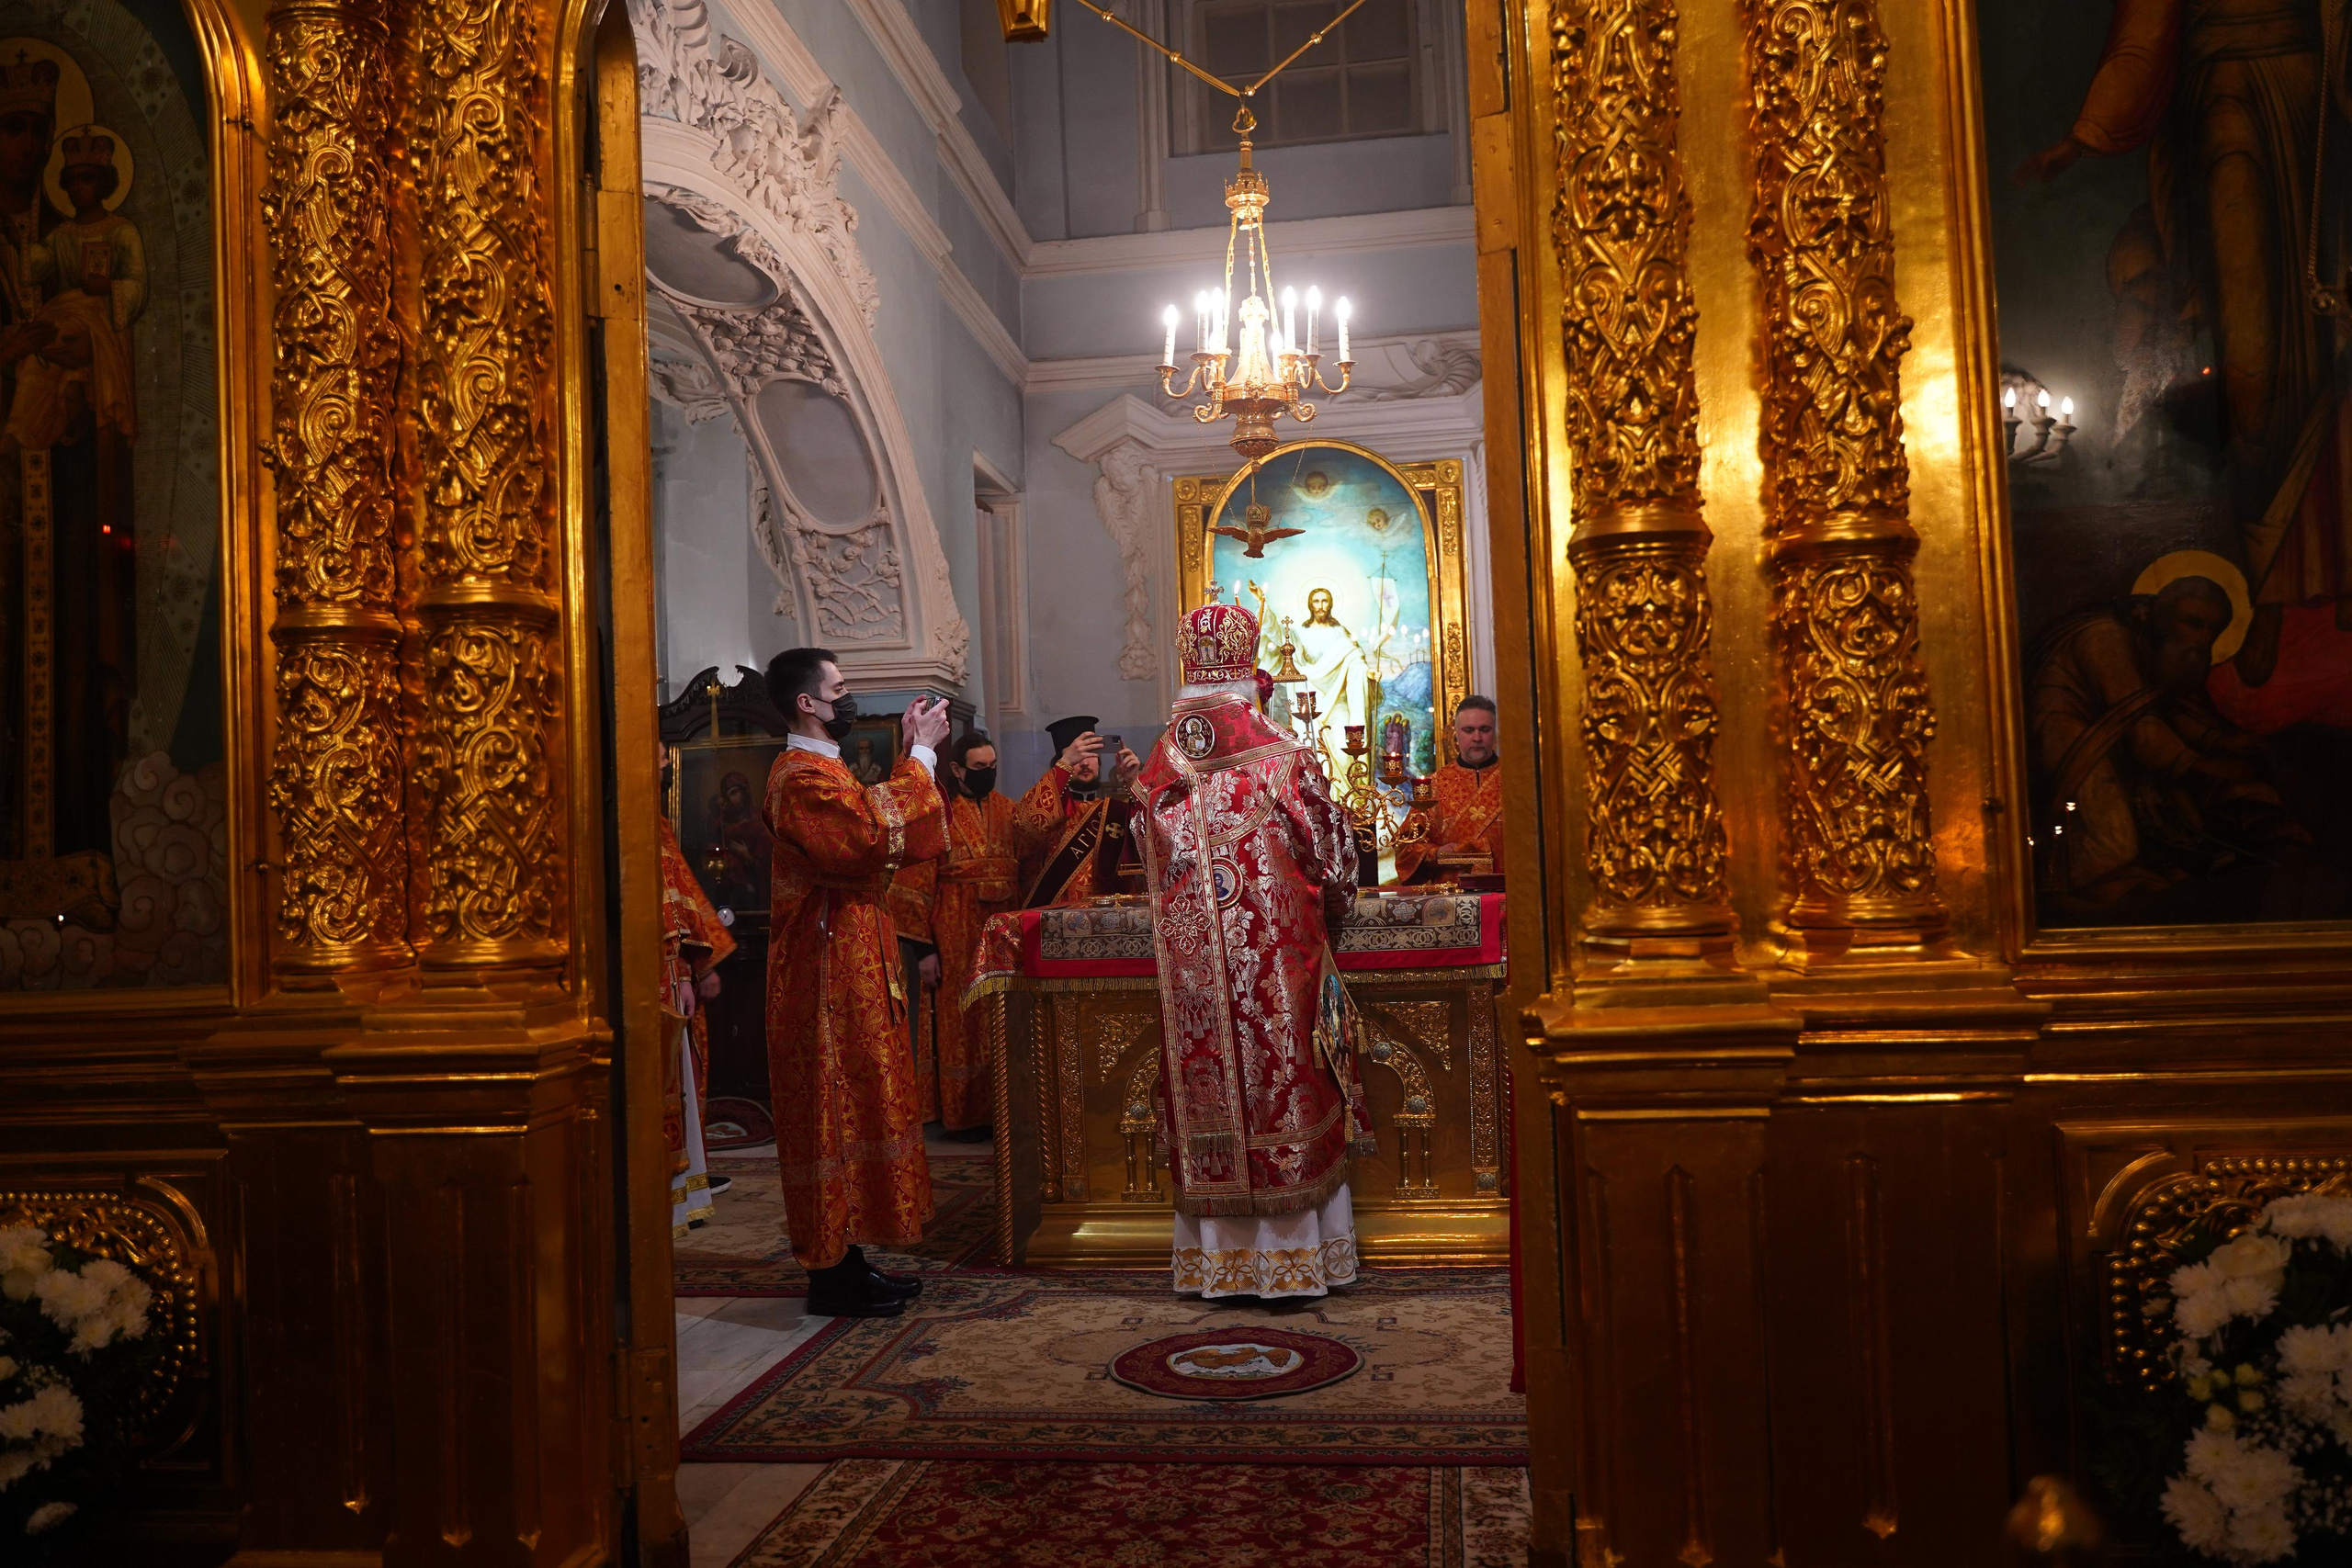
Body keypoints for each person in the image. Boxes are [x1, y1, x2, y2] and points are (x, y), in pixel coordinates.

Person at [1134, 586, 1375, 1300]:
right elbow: (1333, 858)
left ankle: (1221, 1265)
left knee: (1208, 1078)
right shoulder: (1283, 758)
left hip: (1193, 973)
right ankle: (1295, 1262)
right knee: (1285, 1079)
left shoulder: (1158, 769)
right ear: (1248, 668)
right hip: (1277, 964)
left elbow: (1141, 851)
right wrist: (1332, 914)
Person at [763, 646, 953, 1317]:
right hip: (820, 977)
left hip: (853, 961)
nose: (849, 699)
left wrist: (910, 750)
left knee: (863, 1102)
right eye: (839, 689)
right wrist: (921, 757)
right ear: (807, 703)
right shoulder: (796, 778)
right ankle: (831, 1274)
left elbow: (893, 828)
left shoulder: (827, 768)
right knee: (828, 1111)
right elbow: (869, 836)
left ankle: (853, 1260)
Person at [2030, 575, 2312, 915]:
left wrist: (2218, 740)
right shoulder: (2104, 638)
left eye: (2212, 630)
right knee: (2115, 842)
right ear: (2163, 615)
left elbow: (2174, 707)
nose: (2201, 640)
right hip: (2070, 733)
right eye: (2194, 624)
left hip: (2118, 735)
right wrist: (2202, 763)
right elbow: (2143, 730)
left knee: (2191, 805)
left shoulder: (2161, 642)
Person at [888, 729, 1018, 1135]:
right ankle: (962, 1115)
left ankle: (1007, 1111)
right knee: (960, 1020)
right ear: (958, 769)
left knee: (1006, 1018)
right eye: (980, 767)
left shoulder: (1009, 811)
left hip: (1006, 936)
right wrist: (923, 950)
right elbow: (912, 885)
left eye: (993, 766)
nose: (988, 773)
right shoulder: (937, 816)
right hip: (954, 936)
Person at [658, 742, 735, 1233]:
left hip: (669, 975)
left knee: (681, 1088)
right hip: (652, 981)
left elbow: (678, 903)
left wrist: (690, 970)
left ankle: (683, 1187)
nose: (667, 766)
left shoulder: (657, 825)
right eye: (661, 759)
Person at [1013, 713, 1145, 907]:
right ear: (1062, 763)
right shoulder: (1050, 808)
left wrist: (1133, 781)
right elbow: (1027, 826)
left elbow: (1152, 837)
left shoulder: (1115, 811)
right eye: (1077, 756)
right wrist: (1065, 763)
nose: (1084, 763)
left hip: (1106, 918)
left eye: (1091, 755)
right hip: (1055, 916)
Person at [1394, 696, 1506, 884]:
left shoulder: (1518, 781)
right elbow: (1406, 846)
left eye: (1484, 730)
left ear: (1494, 733)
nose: (1477, 738)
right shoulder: (1435, 785)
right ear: (1456, 734)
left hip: (1511, 894)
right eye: (1468, 730)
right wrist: (1435, 853)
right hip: (1451, 898)